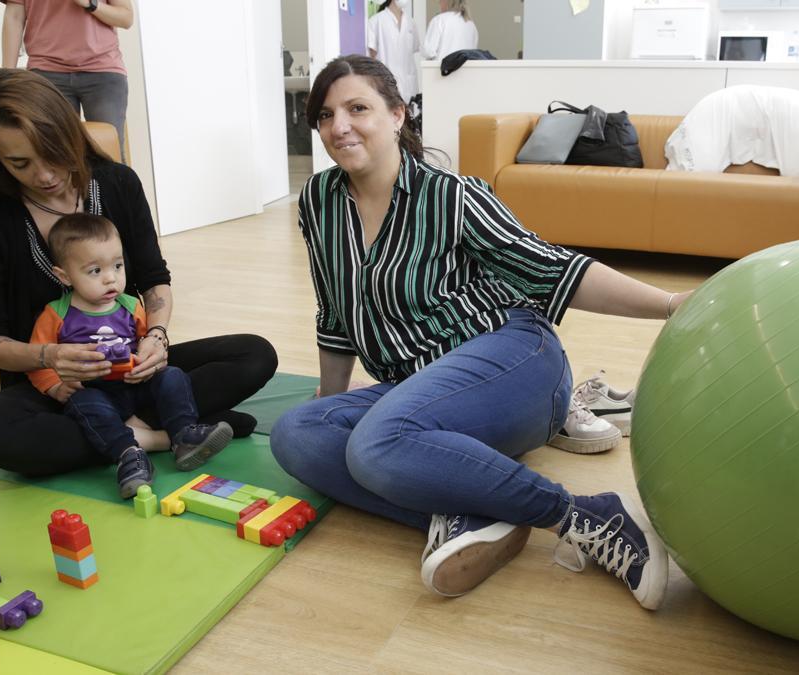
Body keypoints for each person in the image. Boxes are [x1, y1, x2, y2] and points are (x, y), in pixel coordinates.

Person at [270, 56, 691, 610]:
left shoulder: (453, 196)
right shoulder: (320, 202)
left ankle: (583, 514)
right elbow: (334, 312)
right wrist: (331, 393)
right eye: (325, 115)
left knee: (374, 445)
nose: (339, 126)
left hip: (514, 361)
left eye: (357, 109)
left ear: (397, 115)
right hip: (414, 389)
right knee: (296, 432)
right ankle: (469, 511)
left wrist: (671, 305)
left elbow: (556, 270)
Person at [0, 68, 277, 478]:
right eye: (20, 163)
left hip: (131, 373)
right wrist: (50, 355)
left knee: (254, 353)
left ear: (71, 134)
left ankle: (122, 434)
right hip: (59, 387)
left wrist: (157, 338)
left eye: (53, 152)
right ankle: (160, 435)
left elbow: (153, 277)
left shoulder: (117, 183)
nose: (45, 175)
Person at [28, 213, 234, 498]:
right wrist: (55, 386)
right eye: (95, 271)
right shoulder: (56, 314)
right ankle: (129, 454)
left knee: (172, 376)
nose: (111, 278)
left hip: (135, 384)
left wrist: (150, 359)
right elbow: (39, 359)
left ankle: (184, 435)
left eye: (117, 265)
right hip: (94, 390)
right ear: (64, 275)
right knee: (84, 403)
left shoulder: (130, 306)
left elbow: (145, 344)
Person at [0, 0, 134, 159]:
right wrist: (5, 79)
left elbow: (126, 18)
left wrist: (91, 3)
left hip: (102, 70)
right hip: (46, 72)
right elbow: (14, 16)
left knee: (108, 155)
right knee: (57, 155)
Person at [366, 0, 419, 104]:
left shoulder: (411, 22)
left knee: (409, 117)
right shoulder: (376, 21)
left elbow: (413, 49)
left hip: (409, 86)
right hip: (385, 84)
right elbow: (372, 57)